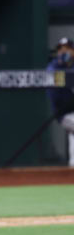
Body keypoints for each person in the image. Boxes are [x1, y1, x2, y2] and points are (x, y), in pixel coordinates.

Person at [47, 37, 74, 166]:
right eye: (61, 50)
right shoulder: (53, 67)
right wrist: (62, 64)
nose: (64, 52)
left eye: (67, 49)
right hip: (64, 113)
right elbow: (51, 76)